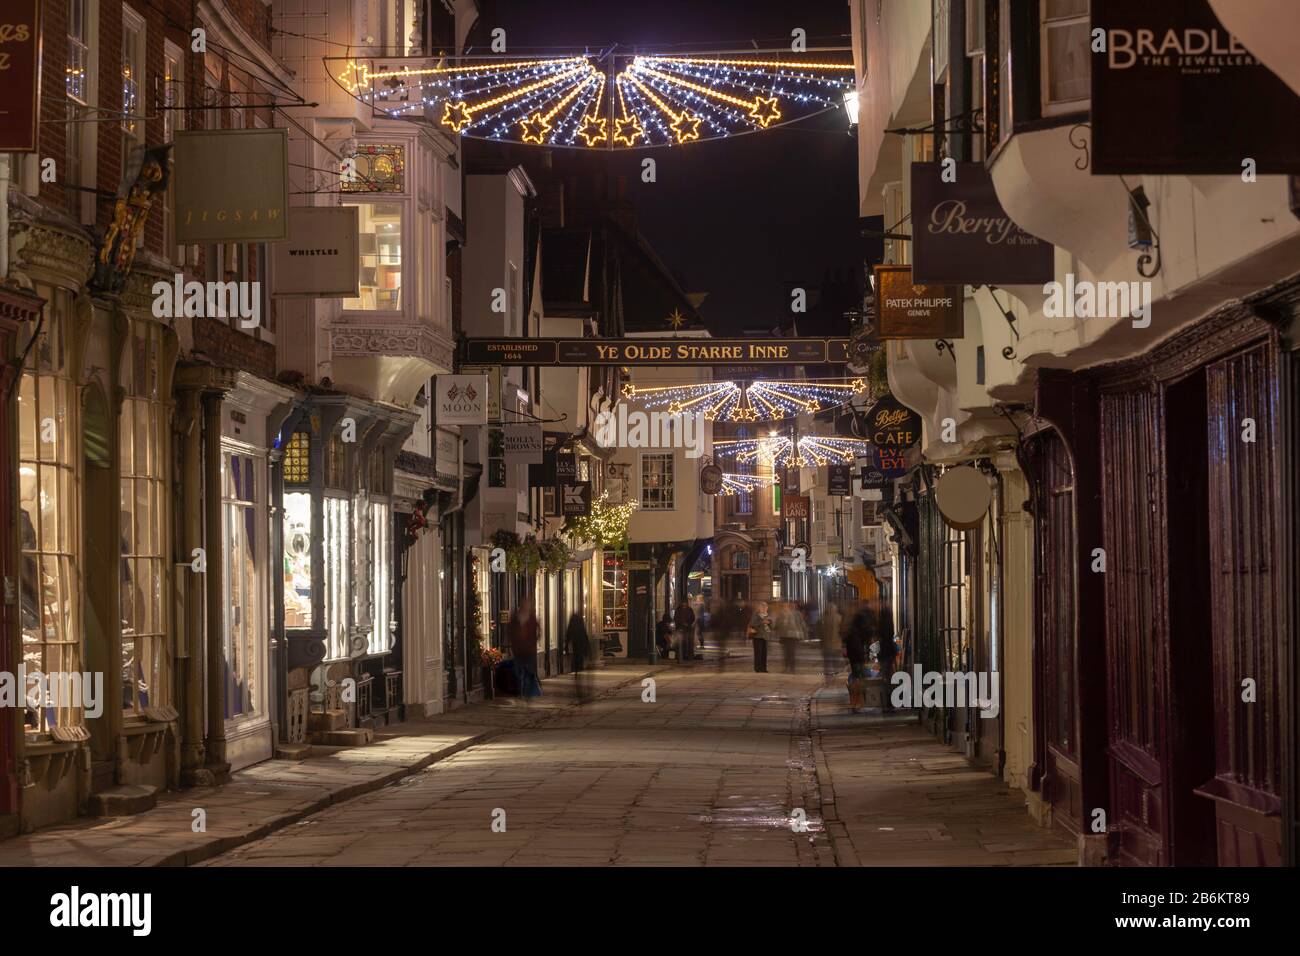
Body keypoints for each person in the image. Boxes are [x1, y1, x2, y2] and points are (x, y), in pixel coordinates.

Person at [507, 599, 542, 702]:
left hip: (529, 650)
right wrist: (512, 644)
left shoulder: (532, 619)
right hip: (518, 650)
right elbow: (510, 632)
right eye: (524, 605)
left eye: (527, 605)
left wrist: (534, 640)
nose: (526, 607)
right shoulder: (515, 618)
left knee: (529, 672)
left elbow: (539, 630)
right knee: (518, 672)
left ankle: (528, 694)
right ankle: (520, 692)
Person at [843, 602, 874, 712]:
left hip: (853, 657)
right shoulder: (858, 631)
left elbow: (846, 642)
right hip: (858, 657)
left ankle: (855, 702)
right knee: (859, 679)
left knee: (856, 677)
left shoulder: (851, 630)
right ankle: (858, 702)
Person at [565, 611, 592, 703]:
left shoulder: (571, 628)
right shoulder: (581, 628)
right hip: (580, 651)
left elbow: (567, 638)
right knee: (580, 670)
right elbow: (586, 639)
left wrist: (567, 650)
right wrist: (588, 651)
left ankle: (577, 686)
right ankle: (581, 688)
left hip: (575, 651)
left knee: (576, 670)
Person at [774, 602, 805, 674]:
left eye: (785, 606)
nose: (784, 608)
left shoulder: (782, 614)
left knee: (788, 652)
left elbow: (777, 624)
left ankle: (789, 668)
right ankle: (790, 668)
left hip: (788, 636)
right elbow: (802, 623)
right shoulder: (796, 614)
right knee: (789, 652)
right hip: (788, 636)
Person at [820, 602, 843, 678]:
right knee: (836, 663)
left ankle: (828, 679)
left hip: (826, 645)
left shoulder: (823, 619)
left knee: (827, 663)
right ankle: (835, 677)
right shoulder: (840, 618)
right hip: (837, 645)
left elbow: (820, 632)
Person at [749, 600, 772, 673]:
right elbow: (752, 624)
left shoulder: (768, 615)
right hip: (758, 636)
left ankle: (764, 668)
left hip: (765, 636)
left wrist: (770, 623)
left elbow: (772, 626)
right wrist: (762, 622)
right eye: (763, 607)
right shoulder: (756, 615)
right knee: (758, 653)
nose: (765, 608)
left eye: (766, 607)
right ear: (759, 608)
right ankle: (757, 668)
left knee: (764, 653)